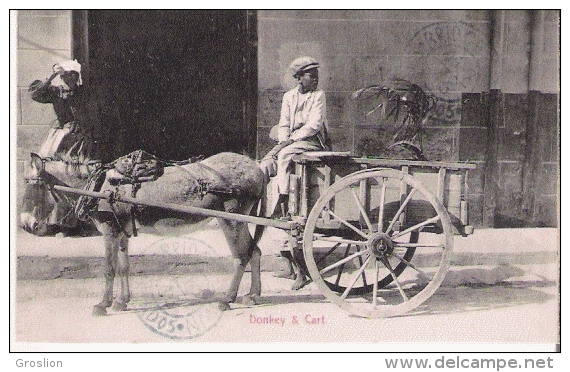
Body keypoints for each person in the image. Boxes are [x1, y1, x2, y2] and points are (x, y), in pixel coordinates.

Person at [260, 56, 331, 289]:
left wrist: (288, 142)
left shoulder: (318, 96)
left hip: (311, 142)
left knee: (283, 156)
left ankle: (282, 197)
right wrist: (283, 139)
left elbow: (314, 125)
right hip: (290, 142)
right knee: (268, 162)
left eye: (316, 74)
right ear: (299, 78)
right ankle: (276, 196)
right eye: (311, 74)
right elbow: (283, 123)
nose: (315, 78)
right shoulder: (289, 97)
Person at [28, 59, 94, 160]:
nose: (71, 78)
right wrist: (51, 76)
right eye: (67, 75)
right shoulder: (56, 91)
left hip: (81, 137)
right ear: (62, 77)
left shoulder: (84, 92)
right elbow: (35, 94)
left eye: (74, 74)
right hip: (61, 135)